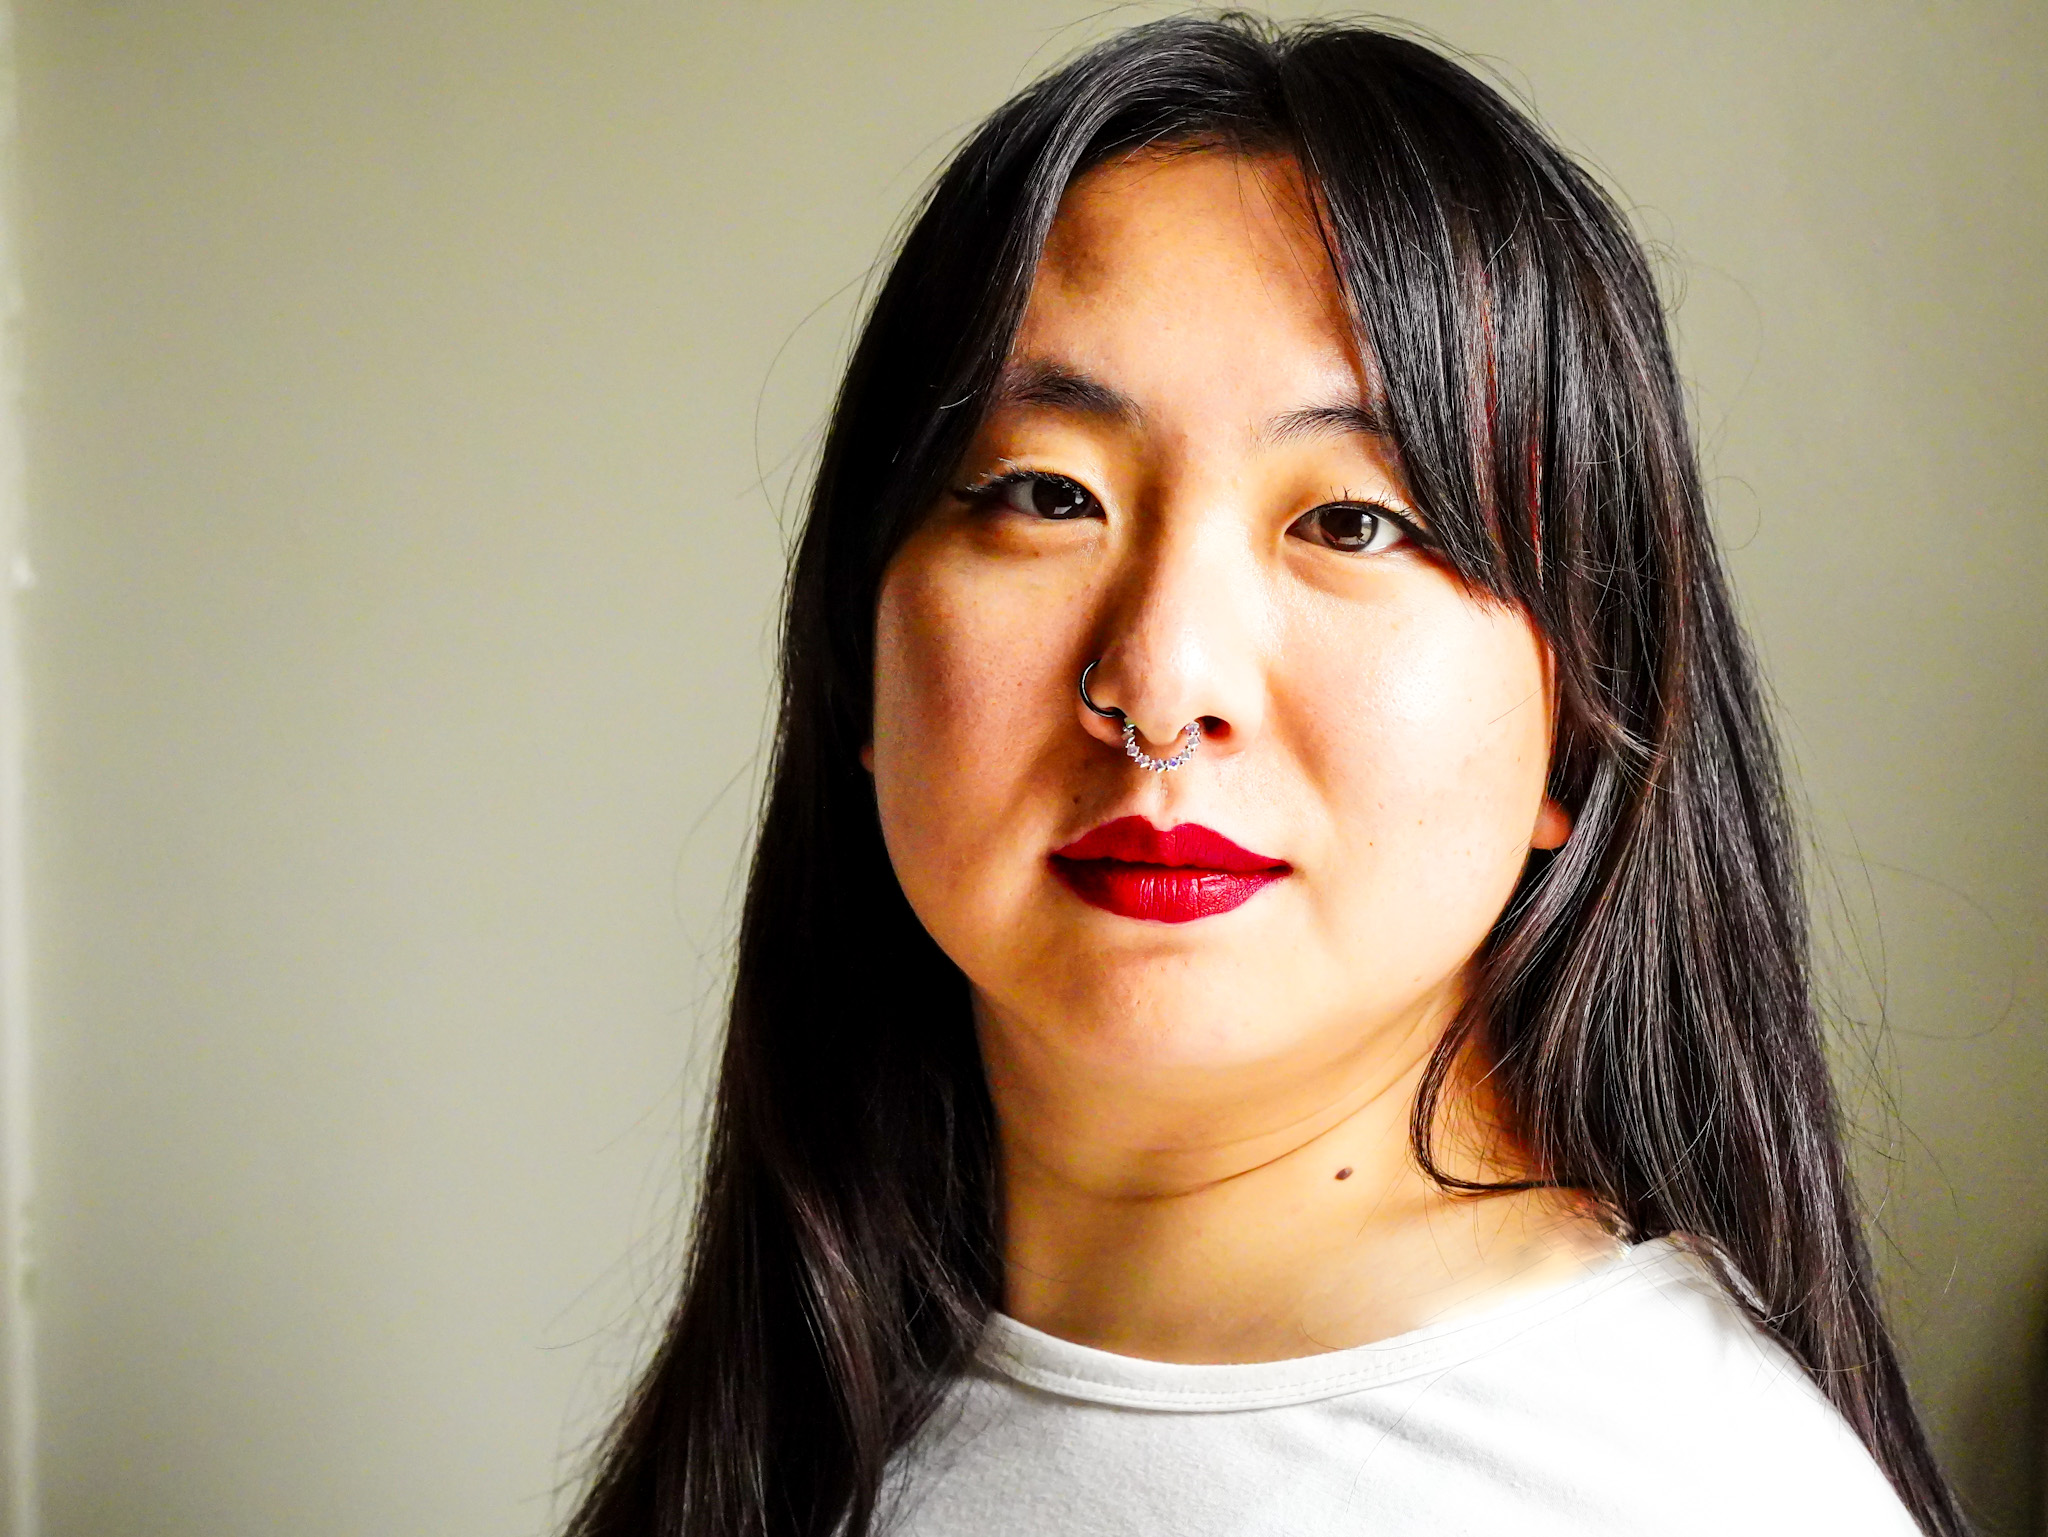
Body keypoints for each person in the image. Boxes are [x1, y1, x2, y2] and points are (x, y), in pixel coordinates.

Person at [567, 14, 1964, 1537]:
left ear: (1579, 717)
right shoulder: (818, 1408)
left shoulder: (1669, 1491)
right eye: (1049, 494)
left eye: (1354, 522)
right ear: (860, 651)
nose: (1161, 685)